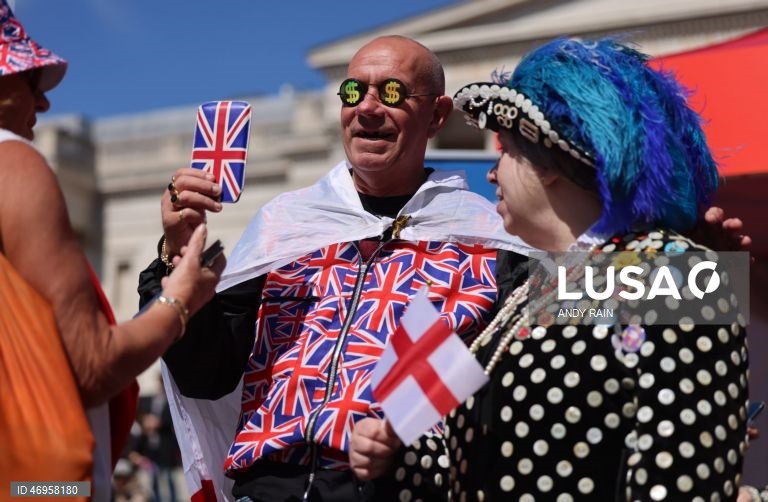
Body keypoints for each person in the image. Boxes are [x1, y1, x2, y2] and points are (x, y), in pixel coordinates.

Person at [351, 36, 751, 501]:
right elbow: (463, 469)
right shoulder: (528, 291)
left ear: (548, 163)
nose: (493, 173)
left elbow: (680, 479)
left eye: (505, 149)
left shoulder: (677, 271)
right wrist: (395, 452)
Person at [138, 35, 534, 501]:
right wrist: (179, 254)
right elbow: (205, 374)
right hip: (267, 489)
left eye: (391, 93)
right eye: (352, 92)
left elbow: (523, 381)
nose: (366, 108)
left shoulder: (488, 242)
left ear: (438, 116)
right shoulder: (285, 227)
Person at [0, 0, 223, 498]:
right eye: (31, 81)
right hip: (35, 490)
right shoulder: (11, 163)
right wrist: (181, 299)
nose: (43, 105)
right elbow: (93, 365)